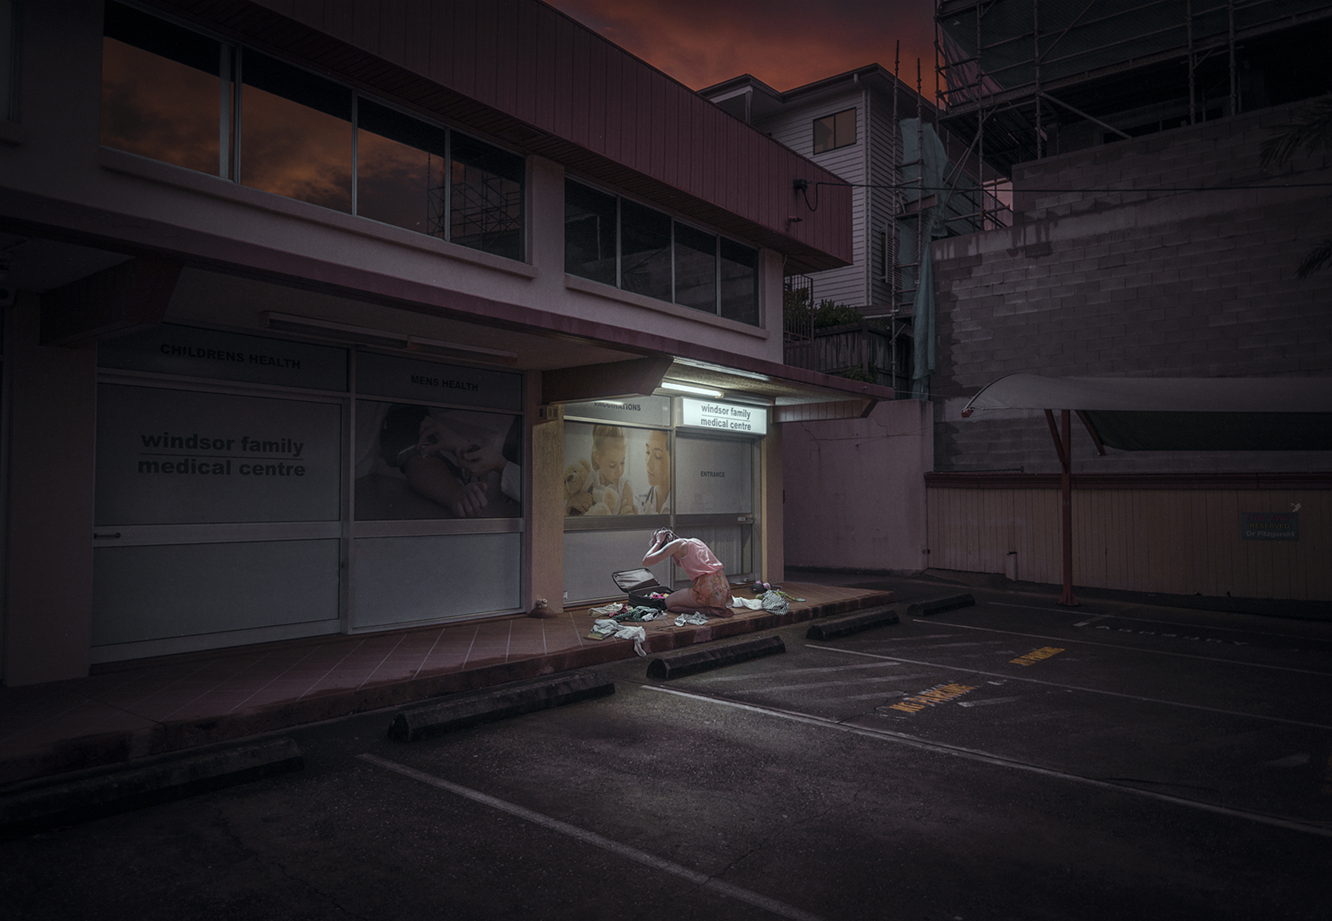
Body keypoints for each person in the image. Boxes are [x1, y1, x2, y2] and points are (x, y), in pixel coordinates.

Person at [641, 527, 730, 615]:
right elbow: (679, 564)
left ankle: (708, 610)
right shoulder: (693, 541)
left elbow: (646, 561)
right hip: (723, 587)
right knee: (676, 598)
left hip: (708, 589)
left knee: (668, 603)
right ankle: (713, 607)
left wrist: (658, 541)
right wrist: (672, 553)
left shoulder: (676, 544)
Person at [565, 425, 636, 516]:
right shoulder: (590, 479)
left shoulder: (624, 486)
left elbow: (629, 519)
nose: (619, 471)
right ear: (597, 458)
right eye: (612, 465)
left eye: (622, 462)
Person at [638, 429, 671, 514]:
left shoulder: (686, 504)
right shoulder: (640, 502)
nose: (648, 464)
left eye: (657, 456)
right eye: (647, 452)